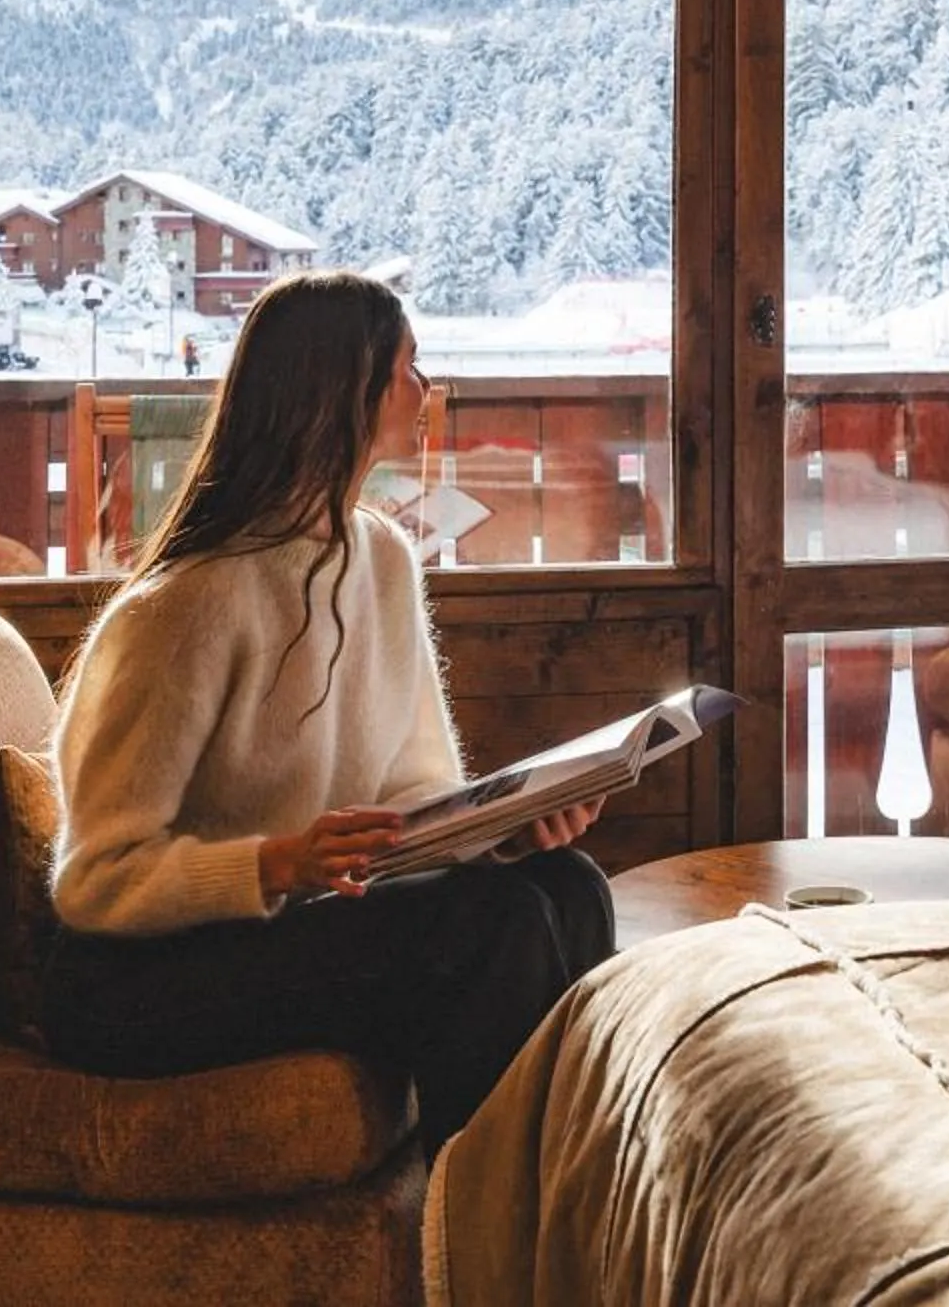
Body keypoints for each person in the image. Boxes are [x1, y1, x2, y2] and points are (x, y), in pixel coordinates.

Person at [37, 269, 611, 1149]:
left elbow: (417, 788)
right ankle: (482, 1232)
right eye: (409, 368)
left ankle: (571, 1194)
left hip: (300, 924)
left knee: (564, 888)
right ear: (344, 389)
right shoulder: (185, 608)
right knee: (489, 928)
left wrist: (502, 830)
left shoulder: (380, 560)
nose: (426, 391)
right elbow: (94, 881)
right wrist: (274, 864)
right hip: (137, 977)